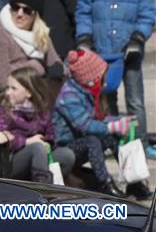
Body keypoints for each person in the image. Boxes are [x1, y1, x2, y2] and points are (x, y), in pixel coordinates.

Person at [76, 0, 155, 158]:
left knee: (135, 99)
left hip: (129, 52)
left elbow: (148, 15)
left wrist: (137, 38)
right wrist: (85, 39)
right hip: (102, 52)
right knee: (105, 99)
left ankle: (140, 141)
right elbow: (83, 13)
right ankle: (110, 140)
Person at [53, 49, 147, 199]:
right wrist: (111, 127)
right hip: (66, 146)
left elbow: (98, 118)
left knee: (113, 138)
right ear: (89, 78)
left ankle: (134, 182)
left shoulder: (84, 91)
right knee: (93, 141)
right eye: (101, 77)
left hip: (81, 140)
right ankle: (105, 184)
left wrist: (118, 122)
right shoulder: (68, 96)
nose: (105, 82)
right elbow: (85, 125)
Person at [0, 67, 75, 183]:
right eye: (7, 87)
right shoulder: (5, 110)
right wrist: (26, 142)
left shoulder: (42, 111)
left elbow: (51, 137)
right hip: (11, 161)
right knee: (37, 148)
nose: (8, 92)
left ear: (29, 93)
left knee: (67, 155)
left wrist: (46, 142)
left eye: (13, 88)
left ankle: (55, 185)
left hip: (39, 156)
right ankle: (43, 191)